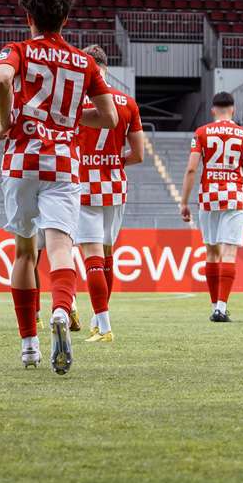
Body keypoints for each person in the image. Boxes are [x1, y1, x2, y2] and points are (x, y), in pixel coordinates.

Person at [0, 0, 117, 373]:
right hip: (64, 163)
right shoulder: (85, 61)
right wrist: (67, 117)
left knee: (25, 251)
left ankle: (29, 344)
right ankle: (62, 310)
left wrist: (5, 121)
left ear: (29, 17)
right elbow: (109, 116)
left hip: (22, 161)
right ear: (65, 19)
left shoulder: (18, 50)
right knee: (62, 245)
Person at [75, 43, 145, 343]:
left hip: (84, 184)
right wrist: (114, 162)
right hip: (115, 185)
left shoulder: (77, 103)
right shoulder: (128, 102)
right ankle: (96, 320)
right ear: (106, 67)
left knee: (91, 257)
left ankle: (104, 327)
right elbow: (139, 154)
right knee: (106, 255)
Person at [180, 92, 243, 323]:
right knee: (229, 252)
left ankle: (215, 304)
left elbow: (191, 169)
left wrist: (184, 201)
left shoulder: (202, 132)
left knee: (212, 252)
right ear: (233, 110)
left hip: (208, 197)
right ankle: (222, 308)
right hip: (234, 197)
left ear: (213, 110)